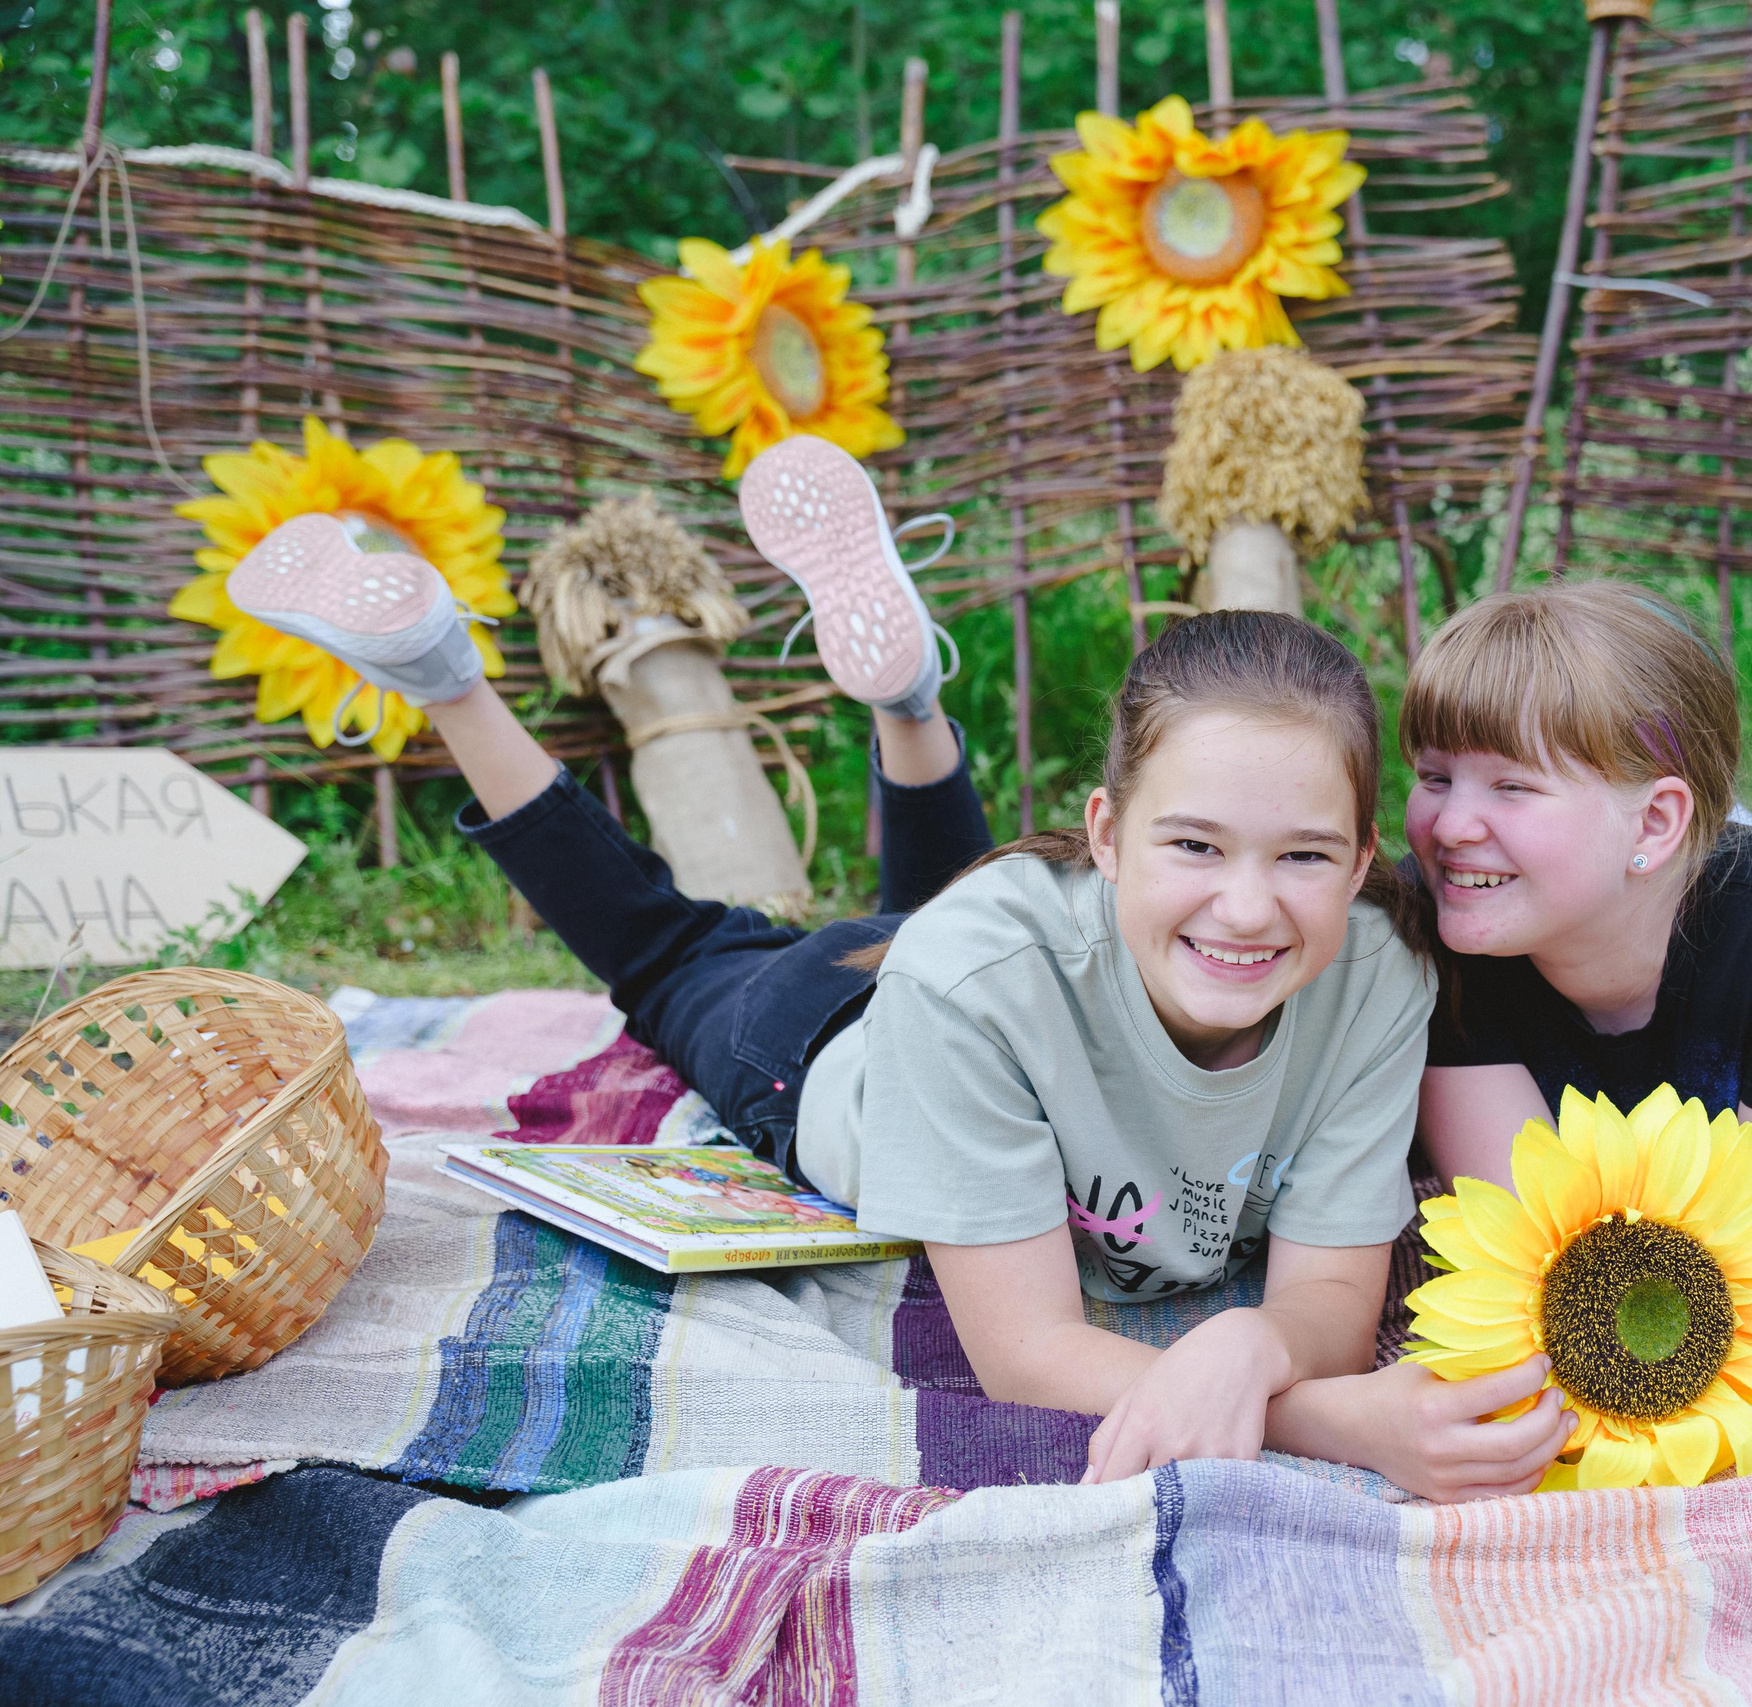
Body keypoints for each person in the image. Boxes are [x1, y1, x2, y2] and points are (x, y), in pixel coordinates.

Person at [225, 436, 1572, 1499]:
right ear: (1106, 834)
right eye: (1198, 841)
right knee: (665, 946)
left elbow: (1330, 1297)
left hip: (990, 970)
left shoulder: (1379, 975)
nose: (1249, 902)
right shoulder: (973, 973)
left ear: (1356, 861)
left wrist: (1252, 1342)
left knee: (962, 929)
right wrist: (1342, 1420)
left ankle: (909, 692)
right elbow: (1028, 1352)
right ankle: (445, 672)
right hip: (825, 1039)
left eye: (1302, 856)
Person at [1398, 582, 1752, 1428]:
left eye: (1511, 787)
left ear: (1657, 822)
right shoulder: (1432, 936)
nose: (1449, 826)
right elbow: (1538, 1261)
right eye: (1436, 777)